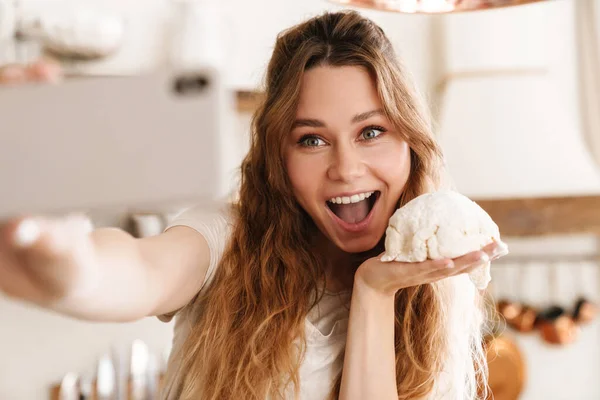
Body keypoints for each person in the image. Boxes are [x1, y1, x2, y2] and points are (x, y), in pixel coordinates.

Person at [0, 10, 508, 400]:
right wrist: (66, 257)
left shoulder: (432, 295)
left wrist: (373, 293)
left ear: (410, 143)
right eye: (311, 140)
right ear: (277, 156)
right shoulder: (228, 239)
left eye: (371, 132)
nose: (346, 168)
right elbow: (134, 271)